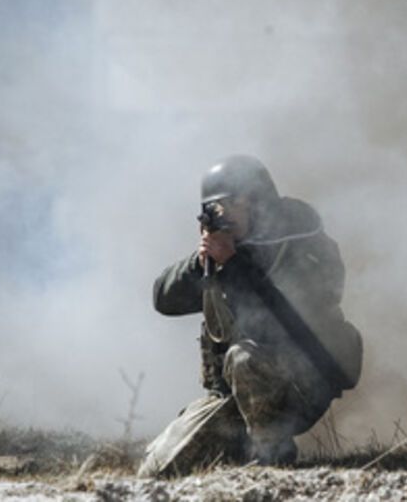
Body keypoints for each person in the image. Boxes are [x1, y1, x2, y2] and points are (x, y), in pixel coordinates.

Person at [139, 155, 362, 477]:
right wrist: (200, 261)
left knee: (245, 357)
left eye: (229, 204)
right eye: (214, 208)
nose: (222, 215)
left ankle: (272, 455)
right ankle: (241, 446)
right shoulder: (226, 252)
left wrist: (234, 265)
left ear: (256, 203)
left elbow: (289, 316)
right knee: (158, 470)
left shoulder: (300, 245)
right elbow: (164, 299)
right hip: (237, 394)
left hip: (302, 380)